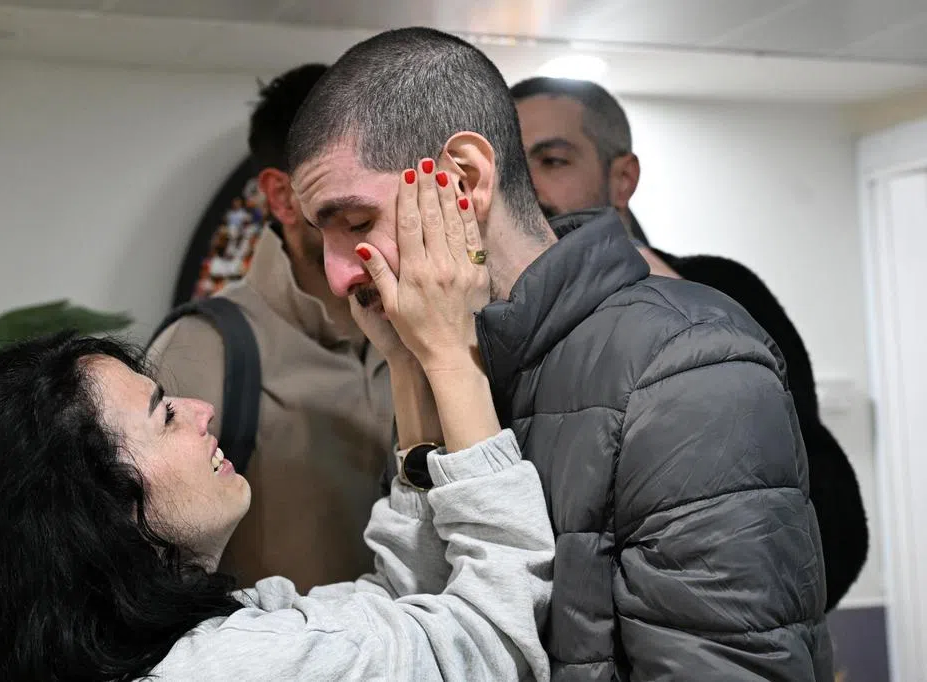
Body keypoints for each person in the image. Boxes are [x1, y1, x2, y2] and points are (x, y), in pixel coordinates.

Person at [288, 27, 832, 680]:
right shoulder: (451, 364)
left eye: (356, 224)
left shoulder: (688, 367)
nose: (338, 275)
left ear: (464, 179)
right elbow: (428, 632)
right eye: (323, 238)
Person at [0, 173, 555, 682]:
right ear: (92, 510)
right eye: (164, 413)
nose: (201, 409)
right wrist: (451, 353)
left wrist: (406, 364)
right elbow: (488, 647)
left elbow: (391, 616)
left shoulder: (135, 645)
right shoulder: (218, 666)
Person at [510, 76, 868, 611]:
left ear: (622, 178)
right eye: (512, 168)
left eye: (552, 161)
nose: (527, 187)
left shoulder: (718, 293)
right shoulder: (494, 328)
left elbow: (818, 502)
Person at [149, 64, 396, 593]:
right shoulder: (204, 347)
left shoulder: (430, 332)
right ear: (283, 197)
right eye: (352, 198)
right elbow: (150, 568)